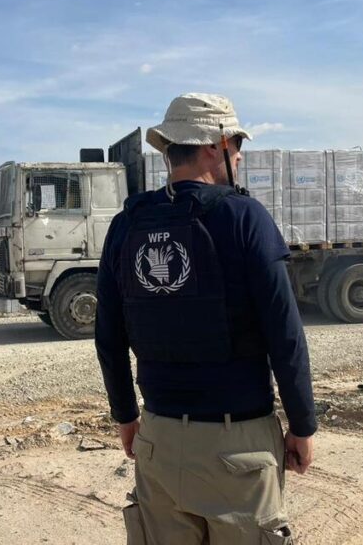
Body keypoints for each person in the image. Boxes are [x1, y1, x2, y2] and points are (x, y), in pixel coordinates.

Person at [95, 93, 317, 545]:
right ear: (214, 146)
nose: (238, 156)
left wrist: (126, 418)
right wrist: (302, 425)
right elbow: (285, 335)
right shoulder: (244, 217)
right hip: (238, 447)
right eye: (237, 146)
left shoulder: (127, 225)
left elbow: (109, 337)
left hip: (157, 439)